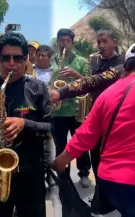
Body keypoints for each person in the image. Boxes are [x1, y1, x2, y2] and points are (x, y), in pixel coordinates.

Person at [50, 26, 135, 217]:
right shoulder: (125, 73)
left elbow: (86, 133)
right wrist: (61, 93)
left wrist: (61, 160)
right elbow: (94, 80)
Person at [0, 32, 52, 217]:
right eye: (5, 58)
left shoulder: (38, 88)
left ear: (26, 59)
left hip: (31, 171)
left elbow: (52, 127)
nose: (11, 63)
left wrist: (25, 124)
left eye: (17, 58)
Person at [49, 28, 92, 189]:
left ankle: (84, 174)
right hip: (57, 111)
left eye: (67, 41)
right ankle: (63, 176)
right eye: (61, 41)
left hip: (76, 111)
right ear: (57, 42)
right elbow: (46, 83)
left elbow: (90, 82)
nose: (64, 44)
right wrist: (55, 80)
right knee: (60, 145)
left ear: (72, 42)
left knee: (80, 144)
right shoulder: (51, 60)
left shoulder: (82, 61)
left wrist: (75, 74)